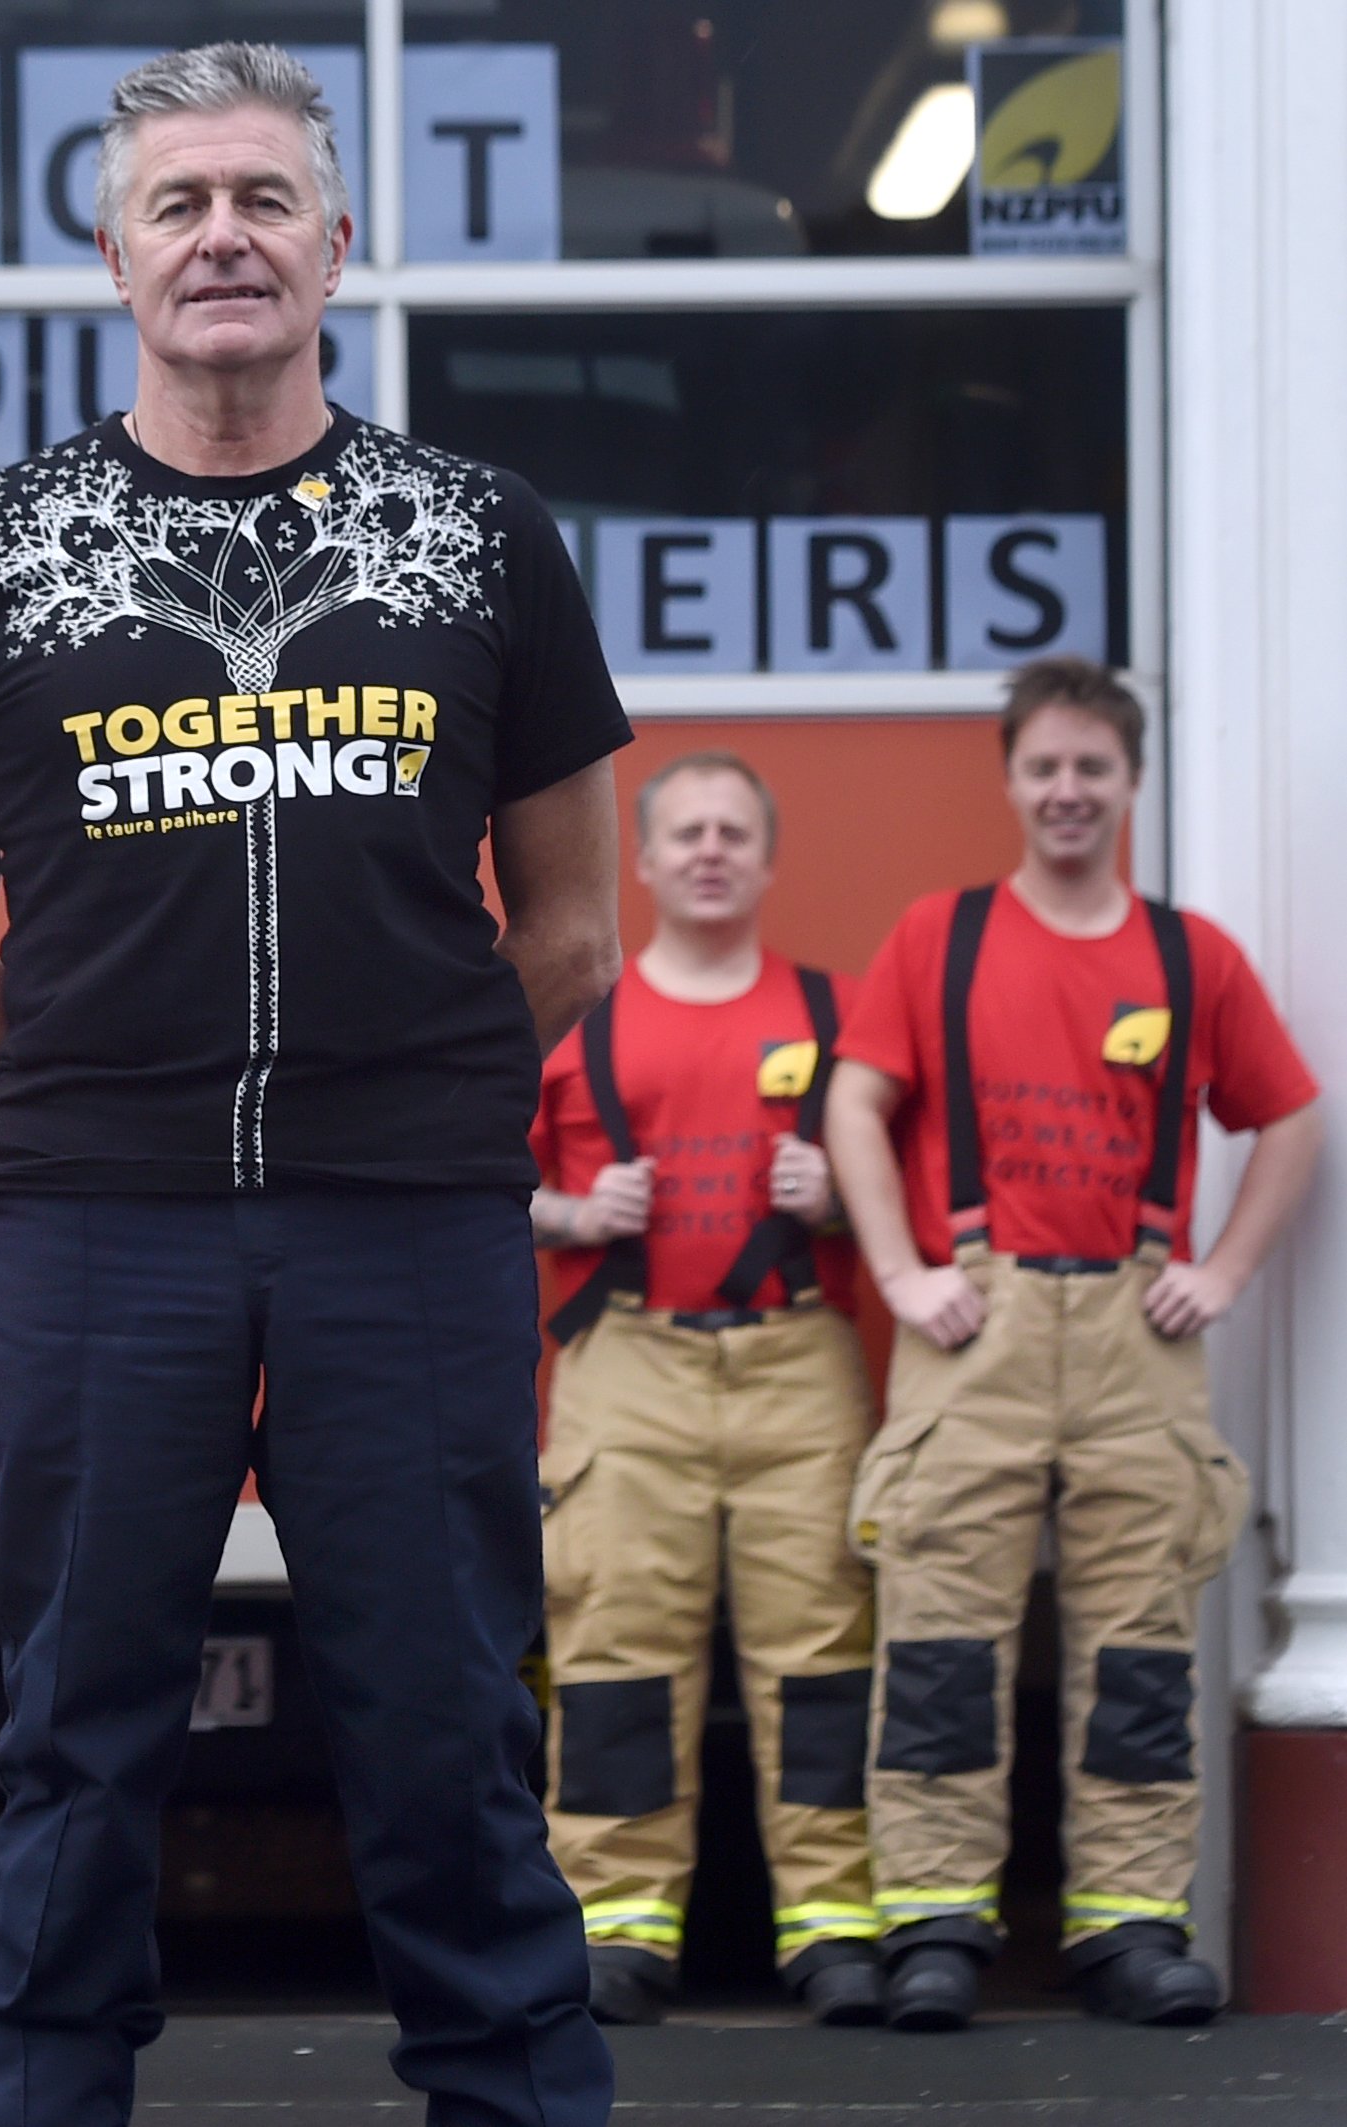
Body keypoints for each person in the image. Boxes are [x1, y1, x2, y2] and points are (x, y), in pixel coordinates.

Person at [0, 42, 629, 2127]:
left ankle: (518, 2094)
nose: (223, 236)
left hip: (414, 1226)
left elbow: (572, 922)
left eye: (265, 199)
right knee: (77, 1733)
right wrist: (116, 1095)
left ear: (338, 246)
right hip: (104, 1231)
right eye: (180, 203)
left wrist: (418, 1089)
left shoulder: (478, 535)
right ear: (111, 253)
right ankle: (34, 2094)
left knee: (447, 1718)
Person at [825, 658, 1322, 2031]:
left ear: (1130, 782)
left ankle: (1128, 1922)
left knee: (1141, 1647)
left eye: (1090, 767)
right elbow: (854, 1106)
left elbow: (1291, 1118)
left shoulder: (1190, 955)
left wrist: (1220, 1269)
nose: (1064, 790)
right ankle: (931, 1920)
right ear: (1008, 775)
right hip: (971, 1323)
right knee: (938, 1642)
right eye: (1042, 765)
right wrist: (898, 1268)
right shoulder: (942, 934)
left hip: (1131, 1330)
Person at [529, 752, 879, 2029]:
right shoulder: (576, 1021)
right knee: (615, 1648)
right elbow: (466, 1176)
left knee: (824, 1653)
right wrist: (571, 1206)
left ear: (768, 859)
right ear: (644, 861)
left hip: (799, 1364)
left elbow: (902, 1187)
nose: (712, 851)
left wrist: (836, 1197)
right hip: (626, 1363)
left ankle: (836, 1923)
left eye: (735, 831)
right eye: (687, 833)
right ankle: (618, 1927)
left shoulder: (840, 1019)